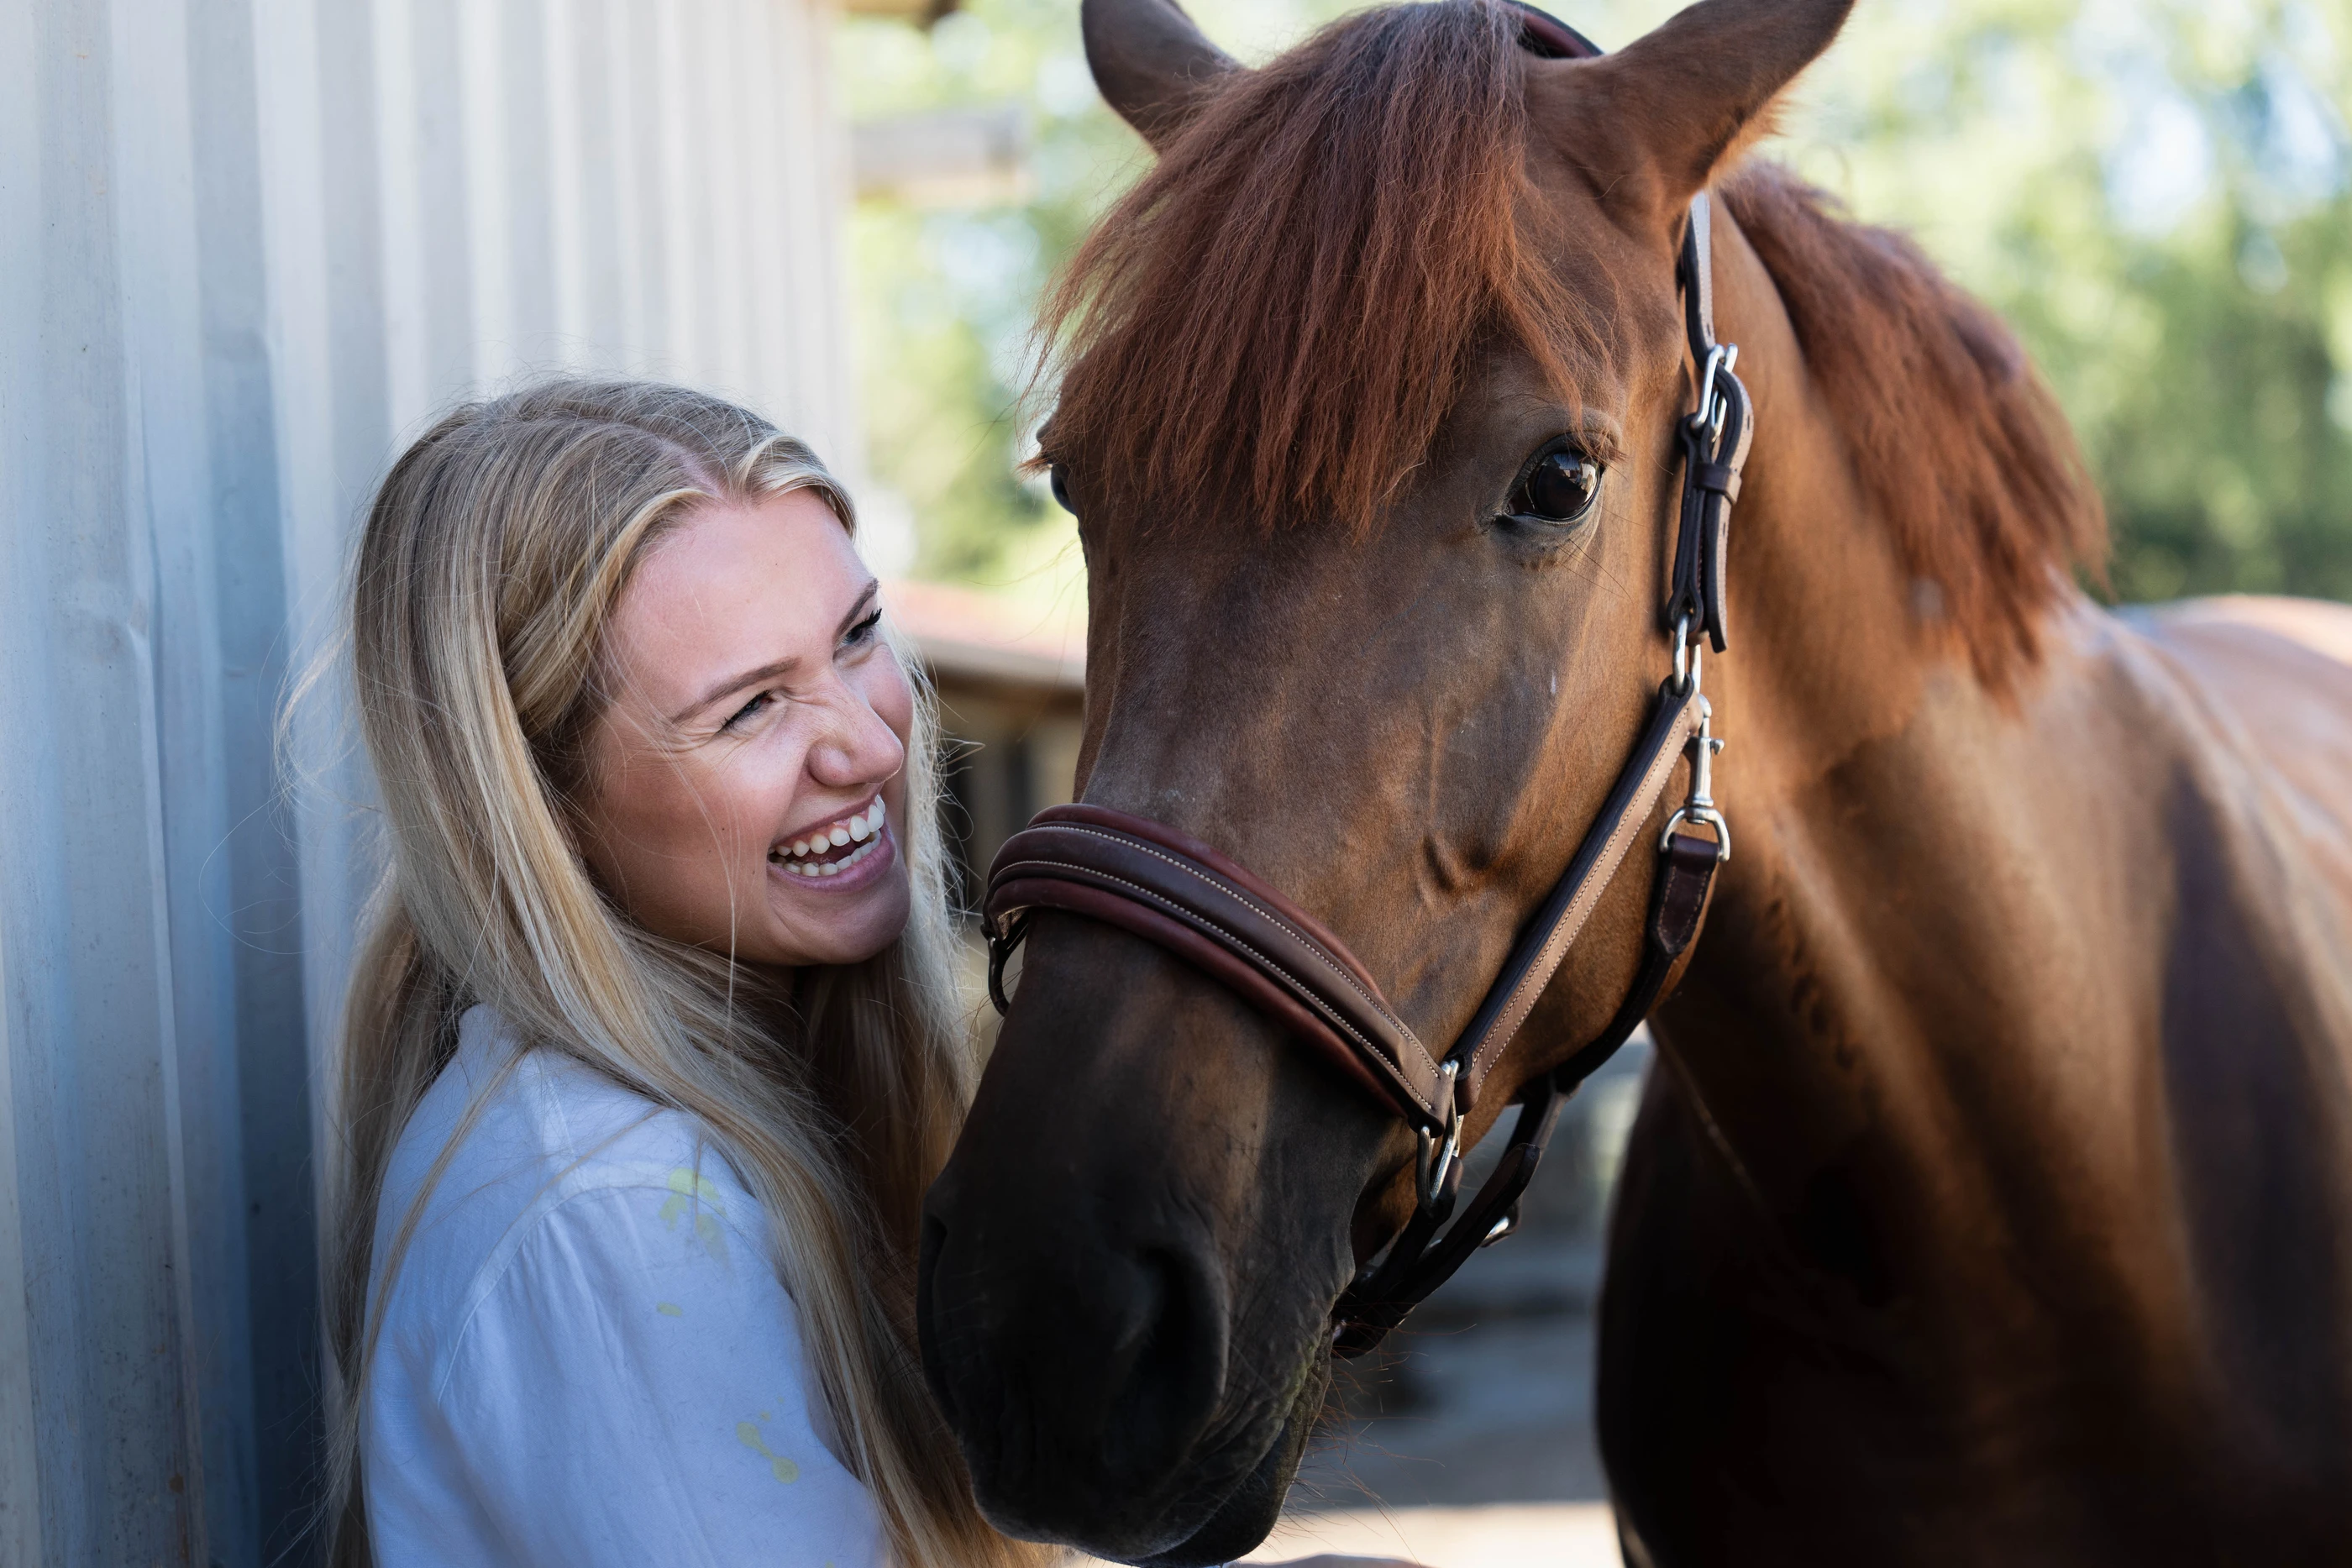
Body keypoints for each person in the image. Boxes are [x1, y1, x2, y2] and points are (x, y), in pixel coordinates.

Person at [323, 379, 1415, 1567]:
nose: (872, 741)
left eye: (855, 639)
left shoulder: (733, 1118)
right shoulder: (608, 1210)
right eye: (750, 710)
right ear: (545, 809)